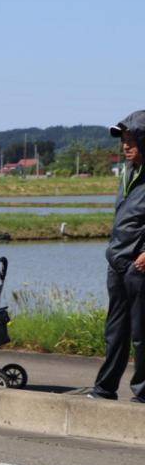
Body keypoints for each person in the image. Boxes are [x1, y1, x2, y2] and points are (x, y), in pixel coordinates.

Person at [90, 111, 145, 401]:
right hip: (118, 261)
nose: (125, 146)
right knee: (115, 333)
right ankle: (104, 388)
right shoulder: (127, 173)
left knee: (141, 334)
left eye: (131, 140)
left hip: (140, 265)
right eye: (123, 141)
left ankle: (143, 393)